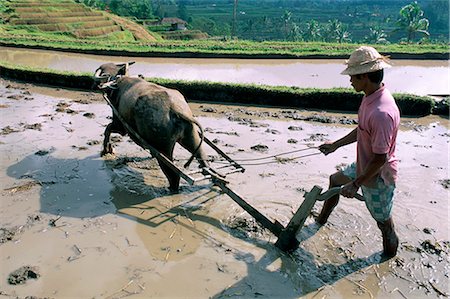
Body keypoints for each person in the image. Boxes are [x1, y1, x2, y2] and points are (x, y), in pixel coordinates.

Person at [316, 46, 400, 258]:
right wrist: (336, 145)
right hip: (364, 163)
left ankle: (388, 258)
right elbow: (362, 130)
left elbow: (380, 158)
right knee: (335, 180)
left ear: (364, 76)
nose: (350, 81)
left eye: (353, 76)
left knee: (384, 224)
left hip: (377, 173)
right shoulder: (370, 97)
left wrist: (355, 184)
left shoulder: (382, 113)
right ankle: (320, 220)